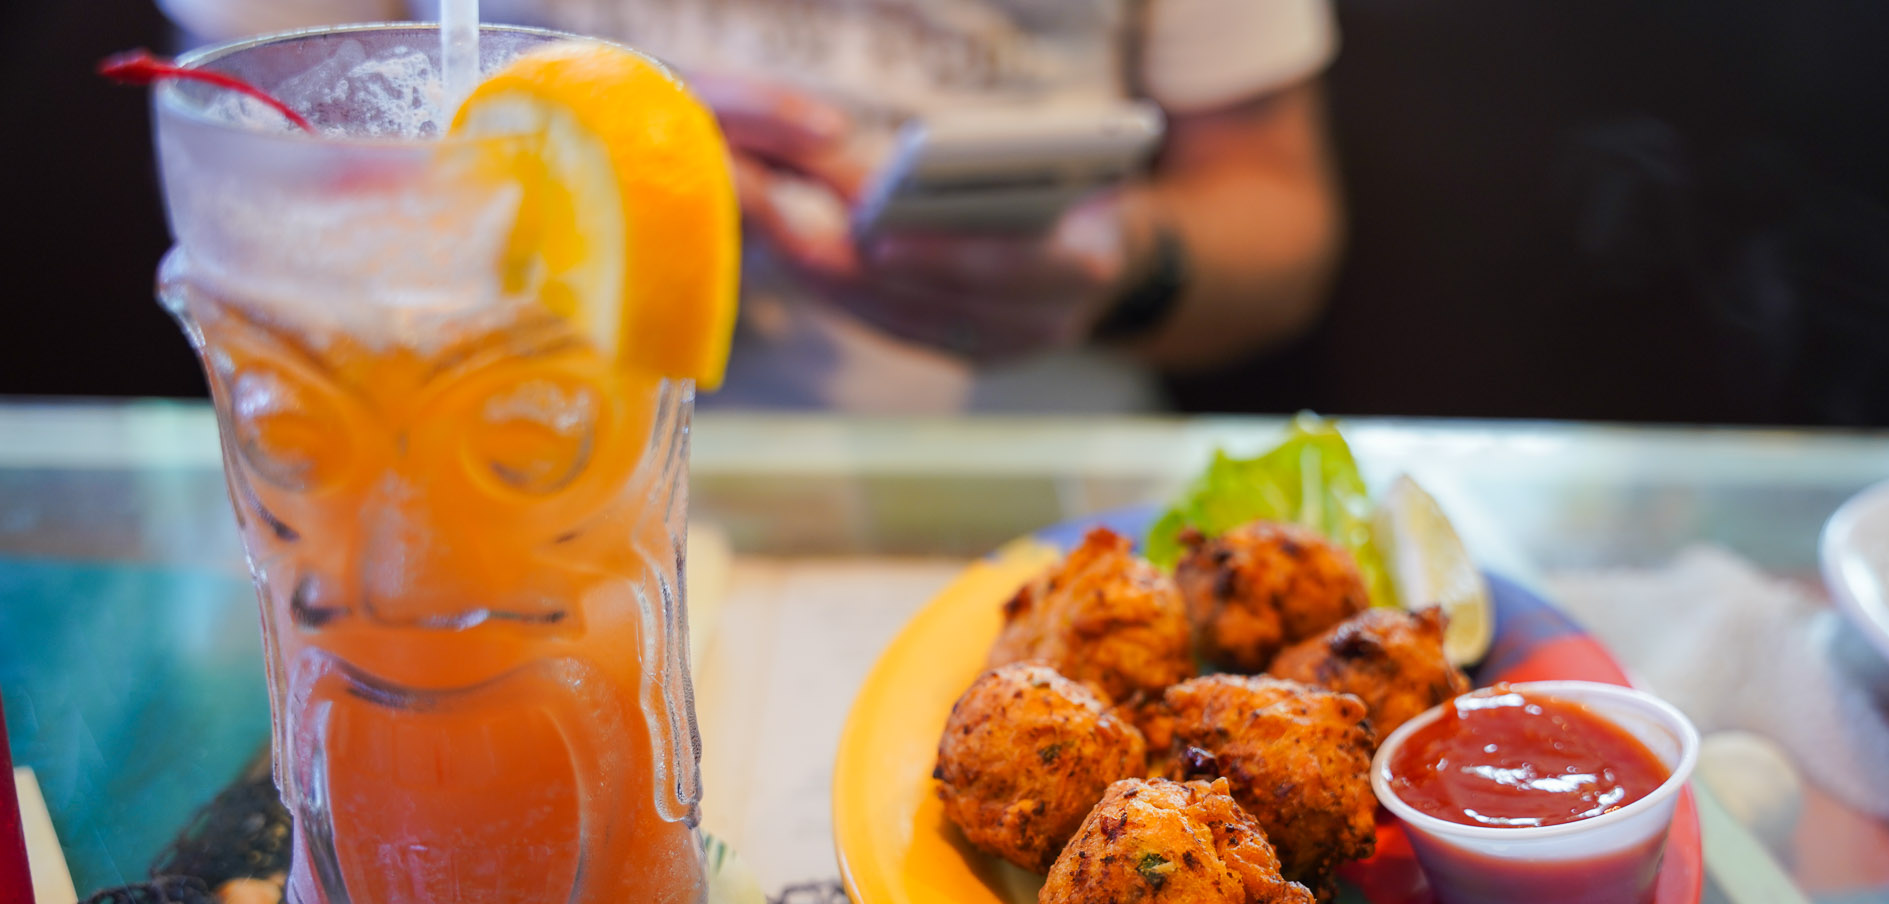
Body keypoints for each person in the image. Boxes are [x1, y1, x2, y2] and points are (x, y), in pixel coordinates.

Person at [156, 0, 1346, 412]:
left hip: (1030, 488)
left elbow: (1279, 219)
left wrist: (1125, 264)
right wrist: (576, 169)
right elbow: (249, 147)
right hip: (530, 467)